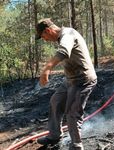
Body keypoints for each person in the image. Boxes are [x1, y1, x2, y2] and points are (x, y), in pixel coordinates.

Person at [35, 18, 97, 150]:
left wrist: (47, 68)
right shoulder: (61, 37)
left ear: (48, 30)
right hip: (71, 80)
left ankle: (76, 145)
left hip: (83, 79)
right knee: (55, 101)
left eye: (43, 36)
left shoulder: (68, 34)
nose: (45, 39)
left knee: (72, 112)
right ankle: (54, 135)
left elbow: (63, 51)